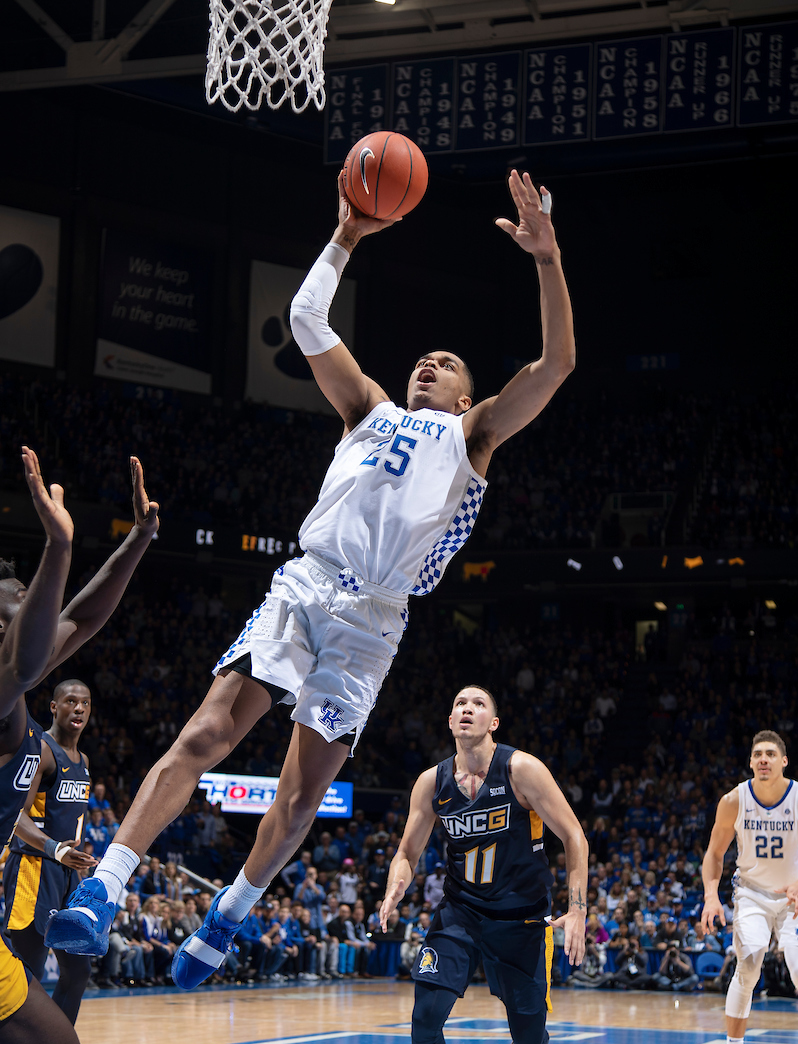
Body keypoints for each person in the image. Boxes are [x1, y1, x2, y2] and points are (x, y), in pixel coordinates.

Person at [48, 170, 575, 994]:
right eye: (424, 357)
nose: (429, 360)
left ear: (469, 394)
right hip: (303, 588)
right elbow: (304, 317)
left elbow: (557, 364)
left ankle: (231, 912)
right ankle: (103, 887)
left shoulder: (472, 438)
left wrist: (546, 257)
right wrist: (347, 236)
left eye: (448, 362)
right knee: (203, 735)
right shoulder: (367, 406)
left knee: (297, 801)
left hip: (373, 625)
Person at [1, 452, 194, 1044]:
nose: (34, 599)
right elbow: (36, 645)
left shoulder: (21, 687)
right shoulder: (5, 687)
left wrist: (138, 539)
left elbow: (82, 616)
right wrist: (56, 547)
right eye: (18, 596)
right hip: (21, 881)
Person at [379, 685, 587, 1044]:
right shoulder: (432, 783)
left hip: (522, 920)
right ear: (450, 722)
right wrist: (396, 885)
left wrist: (578, 909)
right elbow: (407, 852)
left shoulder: (521, 770)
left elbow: (574, 834)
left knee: (531, 1036)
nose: (466, 709)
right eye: (458, 704)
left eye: (477, 704)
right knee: (425, 1018)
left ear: (493, 723)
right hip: (461, 913)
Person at [701, 730, 798, 1044]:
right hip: (752, 895)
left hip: (794, 899)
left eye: (771, 754)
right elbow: (714, 854)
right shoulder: (734, 800)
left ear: (783, 761)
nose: (764, 759)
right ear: (750, 762)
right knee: (750, 964)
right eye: (758, 753)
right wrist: (711, 895)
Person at [4, 679, 95, 1023]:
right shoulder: (40, 749)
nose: (79, 708)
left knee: (78, 969)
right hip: (33, 868)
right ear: (55, 707)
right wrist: (55, 850)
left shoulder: (83, 760)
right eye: (71, 701)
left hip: (67, 875)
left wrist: (82, 874)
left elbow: (76, 822)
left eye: (85, 703)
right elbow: (16, 814)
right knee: (29, 972)